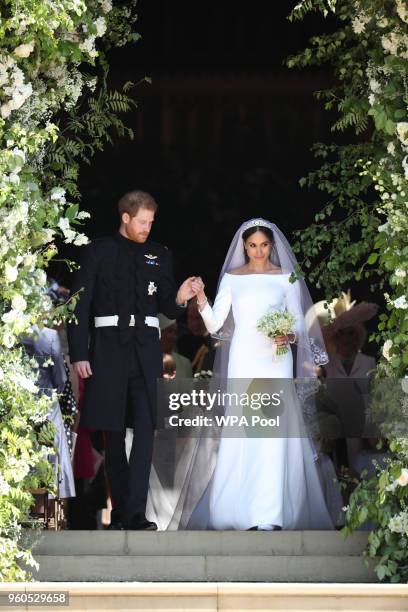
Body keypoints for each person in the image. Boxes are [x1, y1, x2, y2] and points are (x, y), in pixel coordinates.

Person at [171, 218, 335, 531]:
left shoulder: (285, 277)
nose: (258, 251)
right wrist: (202, 298)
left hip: (276, 358)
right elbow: (216, 325)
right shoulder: (233, 278)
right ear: (244, 247)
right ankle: (236, 511)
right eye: (252, 246)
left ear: (271, 245)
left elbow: (300, 324)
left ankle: (270, 515)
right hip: (244, 358)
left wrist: (287, 336)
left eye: (263, 245)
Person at [67, 190, 197, 530]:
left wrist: (181, 297)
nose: (147, 228)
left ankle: (135, 513)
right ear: (125, 217)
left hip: (145, 352)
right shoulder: (97, 252)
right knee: (112, 435)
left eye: (151, 222)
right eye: (142, 222)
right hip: (108, 350)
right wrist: (80, 353)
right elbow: (79, 306)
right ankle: (121, 510)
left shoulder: (159, 254)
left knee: (145, 431)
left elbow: (167, 305)